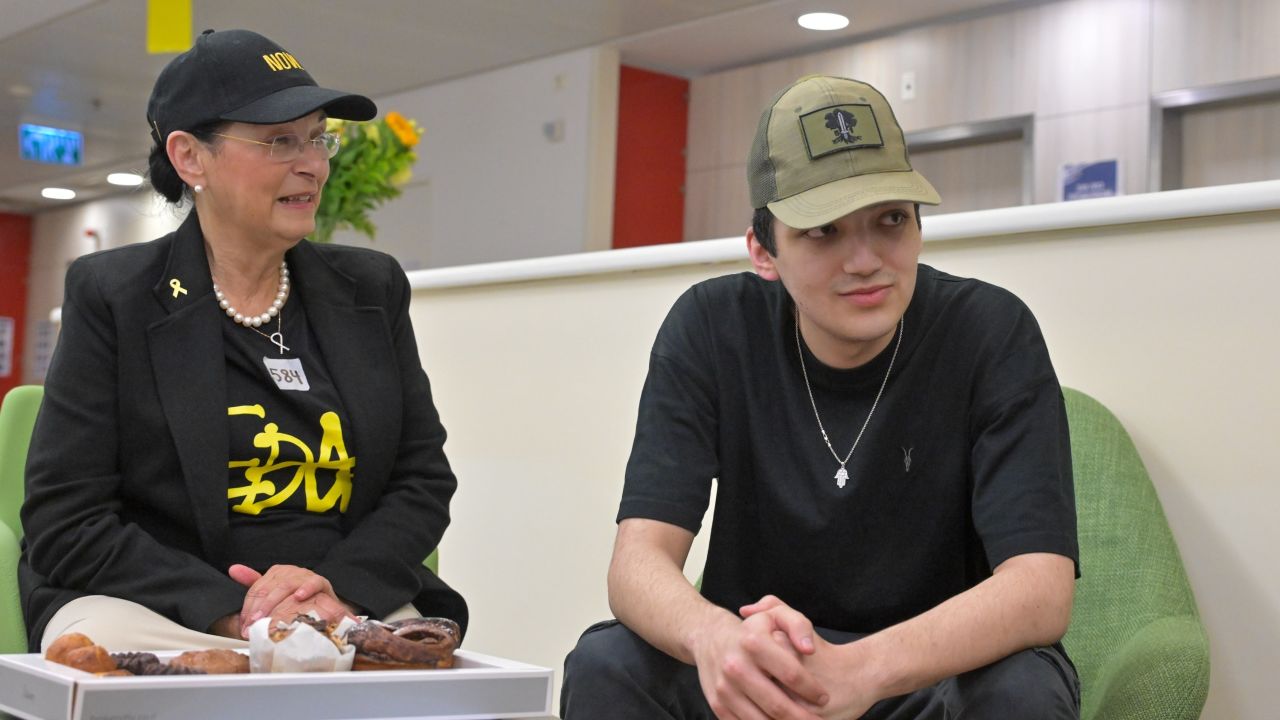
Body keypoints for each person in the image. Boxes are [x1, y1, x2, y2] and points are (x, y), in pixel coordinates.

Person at [561, 75, 1080, 719]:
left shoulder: (992, 332)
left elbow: (1040, 589)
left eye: (890, 220)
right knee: (606, 664)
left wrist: (861, 670)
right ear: (763, 251)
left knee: (1023, 690)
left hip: (926, 673)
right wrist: (715, 639)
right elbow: (637, 561)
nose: (865, 260)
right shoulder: (710, 327)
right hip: (760, 673)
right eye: (824, 231)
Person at [19, 29, 467, 652]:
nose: (312, 162)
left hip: (341, 606)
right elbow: (67, 521)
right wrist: (236, 616)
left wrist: (333, 590)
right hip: (163, 607)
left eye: (317, 137)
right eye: (279, 139)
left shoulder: (370, 289)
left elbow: (421, 480)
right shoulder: (113, 295)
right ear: (189, 158)